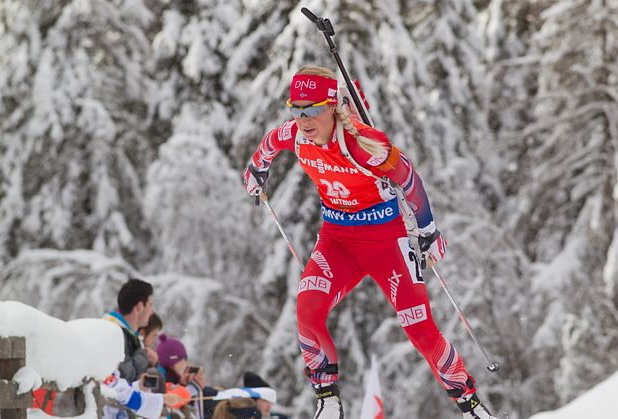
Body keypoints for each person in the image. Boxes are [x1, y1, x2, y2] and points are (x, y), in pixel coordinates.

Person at [242, 66, 496, 419]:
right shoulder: (296, 135)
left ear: (332, 106)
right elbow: (270, 143)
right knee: (307, 309)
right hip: (337, 242)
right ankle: (328, 400)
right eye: (295, 108)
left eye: (312, 108)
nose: (303, 118)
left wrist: (428, 230)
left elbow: (410, 181)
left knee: (420, 329)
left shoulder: (363, 144)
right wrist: (257, 170)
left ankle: (470, 406)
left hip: (386, 243)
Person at [104, 278, 158, 383]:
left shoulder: (130, 336)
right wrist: (143, 356)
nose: (152, 312)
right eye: (150, 305)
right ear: (140, 306)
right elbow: (123, 378)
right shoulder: (113, 334)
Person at [155, 333, 219, 417]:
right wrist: (194, 387)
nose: (186, 362)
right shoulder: (159, 379)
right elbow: (169, 400)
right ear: (173, 362)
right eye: (184, 358)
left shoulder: (165, 377)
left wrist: (183, 385)